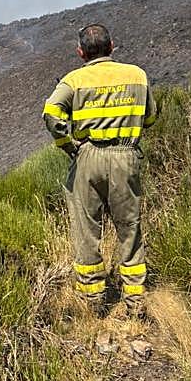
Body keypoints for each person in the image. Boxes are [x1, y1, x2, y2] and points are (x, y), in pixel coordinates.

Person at [42, 24, 157, 317]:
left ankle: (94, 304)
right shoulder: (137, 75)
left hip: (88, 156)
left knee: (86, 230)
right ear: (112, 46)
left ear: (81, 52)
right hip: (125, 156)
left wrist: (69, 145)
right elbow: (151, 117)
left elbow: (51, 113)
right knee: (129, 229)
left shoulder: (73, 80)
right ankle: (135, 302)